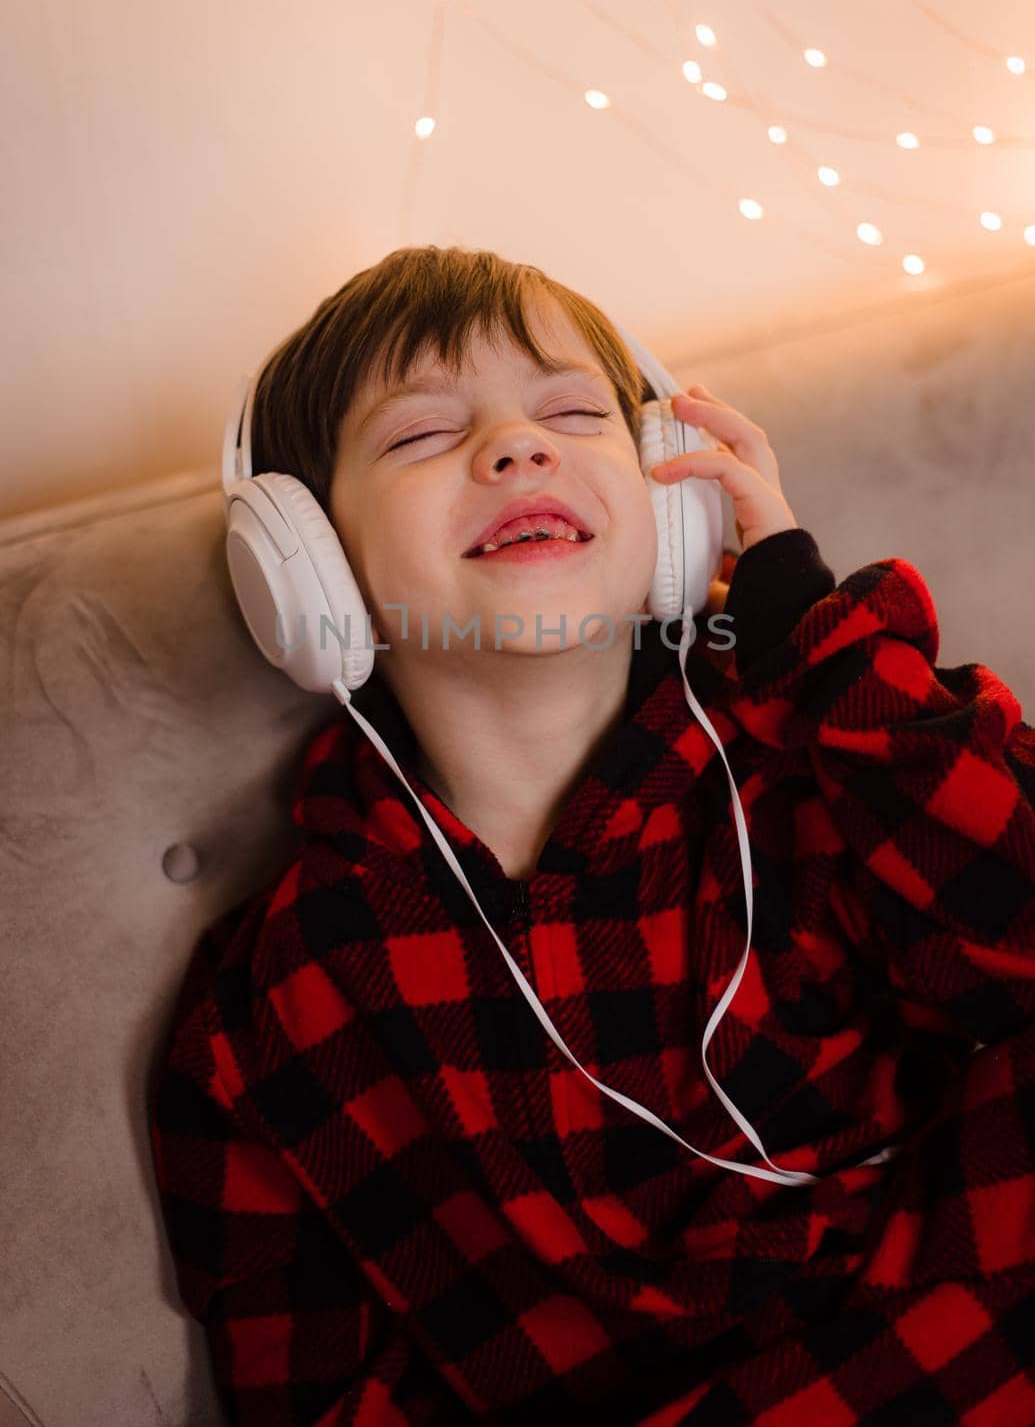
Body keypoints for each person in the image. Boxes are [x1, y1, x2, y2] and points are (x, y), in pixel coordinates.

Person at [147, 245, 1035, 1425]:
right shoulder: (275, 1012)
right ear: (308, 573)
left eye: (571, 412)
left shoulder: (817, 758)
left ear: (672, 508)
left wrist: (803, 621)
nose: (518, 447)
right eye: (419, 435)